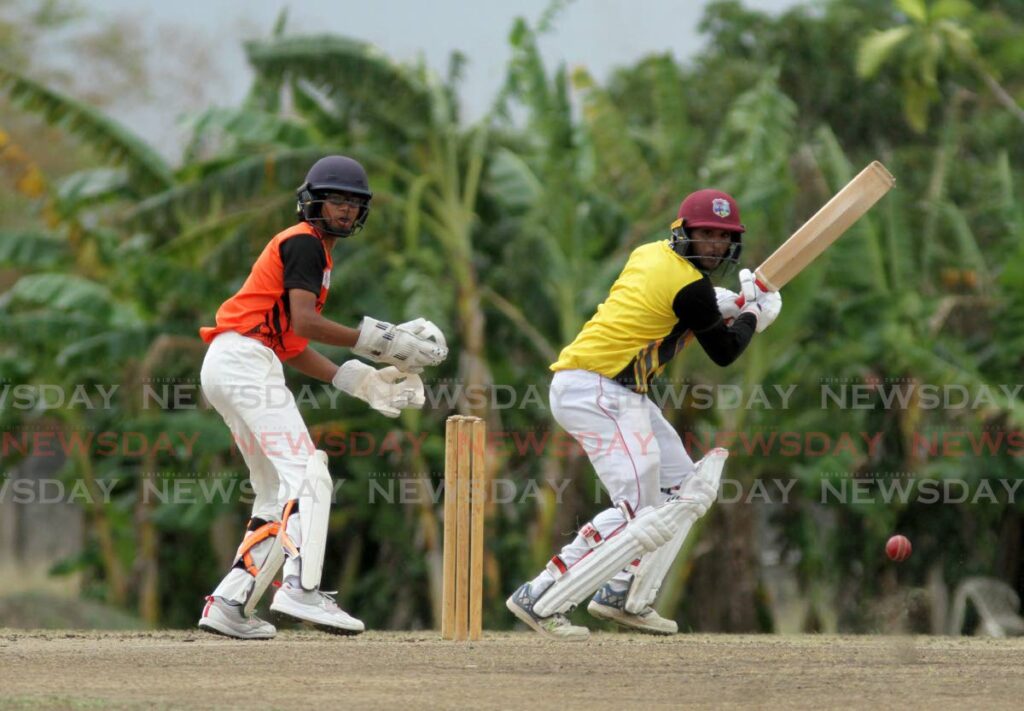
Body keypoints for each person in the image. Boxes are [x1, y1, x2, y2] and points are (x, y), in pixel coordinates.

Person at [506, 189, 782, 639]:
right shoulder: (691, 289)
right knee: (639, 512)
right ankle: (539, 595)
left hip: (617, 392)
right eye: (706, 234)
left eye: (723, 236)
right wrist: (752, 313)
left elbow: (681, 311)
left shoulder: (650, 254)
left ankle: (625, 595)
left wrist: (733, 307)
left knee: (689, 490)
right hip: (596, 390)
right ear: (683, 233)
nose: (714, 244)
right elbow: (725, 350)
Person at [196, 155, 448, 639]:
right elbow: (306, 322)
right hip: (244, 361)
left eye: (353, 202)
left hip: (232, 362)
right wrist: (380, 343)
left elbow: (292, 343)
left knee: (275, 490)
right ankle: (301, 589)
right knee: (309, 474)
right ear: (311, 202)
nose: (345, 209)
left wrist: (361, 381)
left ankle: (230, 603)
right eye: (335, 200)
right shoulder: (304, 243)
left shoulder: (314, 254)